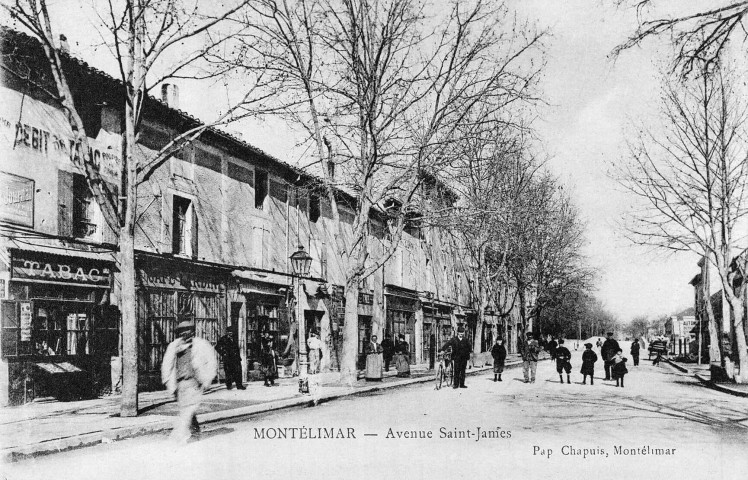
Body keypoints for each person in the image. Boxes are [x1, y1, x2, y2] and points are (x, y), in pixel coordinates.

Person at [161, 320, 217, 443]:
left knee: (188, 409)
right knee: (186, 409)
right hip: (179, 383)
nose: (185, 333)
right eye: (182, 331)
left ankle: (177, 438)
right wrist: (167, 380)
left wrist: (207, 379)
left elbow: (211, 362)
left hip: (194, 382)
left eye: (188, 330)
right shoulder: (174, 346)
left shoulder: (201, 345)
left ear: (192, 331)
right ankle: (196, 433)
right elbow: (167, 364)